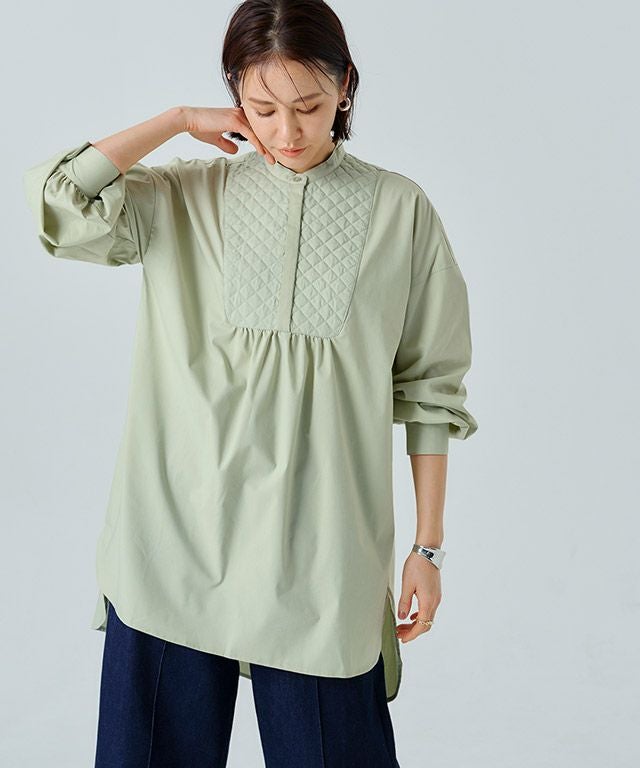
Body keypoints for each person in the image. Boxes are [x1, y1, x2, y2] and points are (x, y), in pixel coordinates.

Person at [23, 1, 478, 765]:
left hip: (323, 562)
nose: (288, 131)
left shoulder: (401, 211)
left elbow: (431, 389)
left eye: (309, 106)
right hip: (173, 548)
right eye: (263, 108)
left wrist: (426, 551)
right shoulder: (183, 196)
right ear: (234, 94)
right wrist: (174, 121)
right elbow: (60, 202)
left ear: (345, 86)